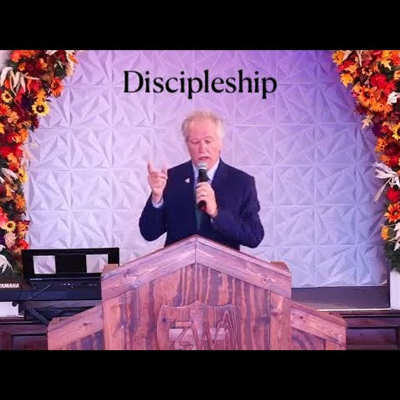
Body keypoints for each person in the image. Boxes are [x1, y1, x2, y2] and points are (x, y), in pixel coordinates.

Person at [139, 110, 264, 251]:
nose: (202, 148)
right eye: (195, 142)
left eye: (208, 141)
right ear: (187, 145)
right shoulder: (171, 178)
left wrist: (216, 212)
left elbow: (254, 237)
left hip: (221, 264)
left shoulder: (242, 182)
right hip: (179, 263)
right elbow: (148, 233)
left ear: (220, 143)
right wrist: (157, 198)